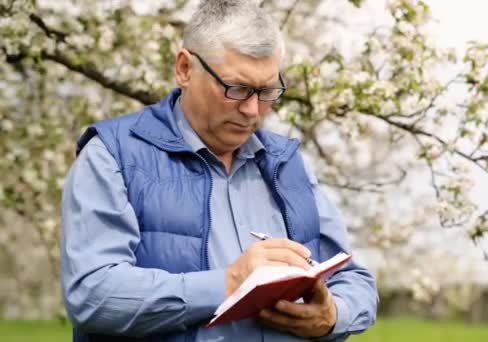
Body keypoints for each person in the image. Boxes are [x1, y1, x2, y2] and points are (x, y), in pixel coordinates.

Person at [60, 1, 378, 341]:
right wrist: (228, 283)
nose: (252, 110)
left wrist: (332, 316)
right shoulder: (112, 156)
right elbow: (92, 295)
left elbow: (355, 280)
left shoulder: (287, 164)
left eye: (267, 91)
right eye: (237, 89)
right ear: (184, 68)